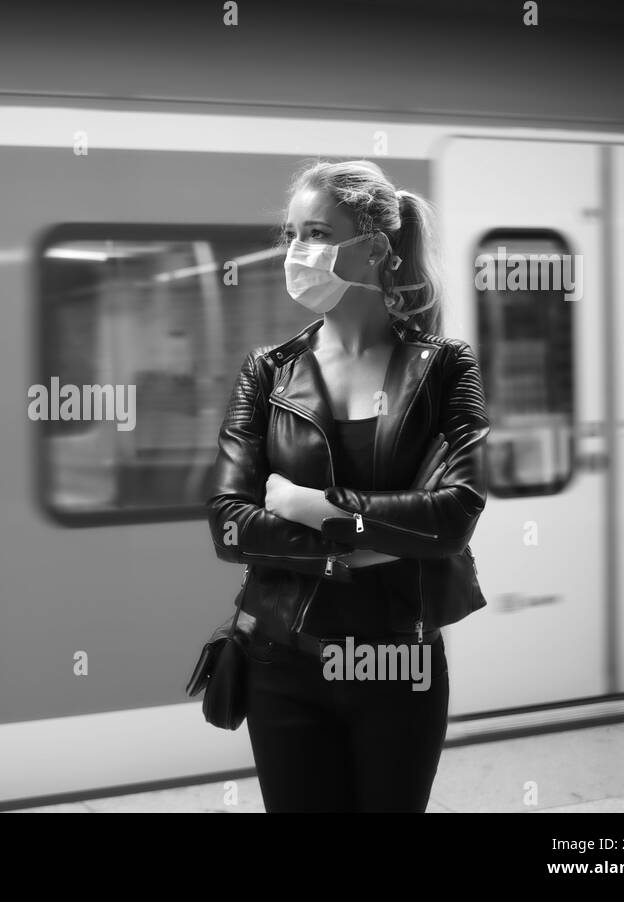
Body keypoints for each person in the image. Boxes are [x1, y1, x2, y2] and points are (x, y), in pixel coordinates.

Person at [206, 159, 491, 812]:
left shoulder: (447, 369)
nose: (297, 252)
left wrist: (312, 507)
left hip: (399, 671)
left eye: (317, 233)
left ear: (375, 248)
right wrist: (359, 545)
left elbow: (454, 516)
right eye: (291, 235)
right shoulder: (268, 373)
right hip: (283, 666)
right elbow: (229, 523)